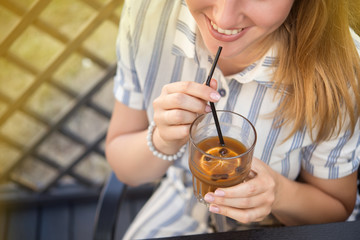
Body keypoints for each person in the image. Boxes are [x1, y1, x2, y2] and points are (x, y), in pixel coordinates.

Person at [105, 0, 360, 238]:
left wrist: (280, 194)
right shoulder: (146, 13)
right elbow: (125, 168)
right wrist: (162, 139)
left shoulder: (342, 70)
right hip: (182, 207)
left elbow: (336, 210)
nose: (224, 18)